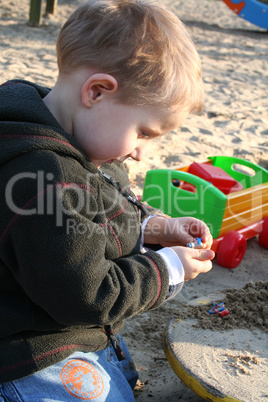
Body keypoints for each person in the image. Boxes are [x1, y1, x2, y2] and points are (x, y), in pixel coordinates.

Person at [0, 0, 214, 400]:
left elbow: (106, 206)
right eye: (144, 132)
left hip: (61, 322)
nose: (141, 154)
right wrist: (169, 268)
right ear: (97, 92)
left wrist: (155, 227)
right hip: (23, 350)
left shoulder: (78, 138)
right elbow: (88, 295)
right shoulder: (44, 178)